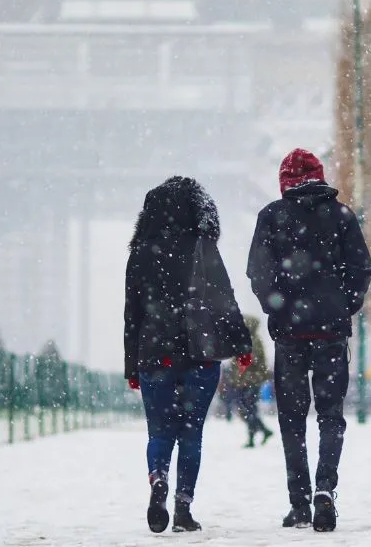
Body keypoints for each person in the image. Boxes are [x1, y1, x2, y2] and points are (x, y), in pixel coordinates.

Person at [247, 148, 371, 532]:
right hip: (331, 331)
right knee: (331, 416)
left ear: (284, 181)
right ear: (320, 176)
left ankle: (299, 501)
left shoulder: (271, 216)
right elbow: (361, 269)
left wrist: (277, 307)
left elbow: (258, 272)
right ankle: (325, 487)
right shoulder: (341, 215)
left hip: (289, 333)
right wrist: (341, 306)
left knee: (291, 418)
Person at [123, 176, 253, 534]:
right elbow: (224, 299)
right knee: (191, 434)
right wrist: (241, 344)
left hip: (154, 355)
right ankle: (183, 507)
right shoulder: (202, 246)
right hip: (200, 353)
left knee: (160, 433)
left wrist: (131, 365)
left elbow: (132, 315)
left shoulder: (140, 253)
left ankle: (158, 478)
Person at [234, 315, 274, 448]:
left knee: (248, 409)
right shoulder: (246, 340)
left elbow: (253, 360)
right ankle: (263, 431)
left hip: (251, 381)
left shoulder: (253, 340)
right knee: (247, 409)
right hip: (245, 381)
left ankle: (253, 436)